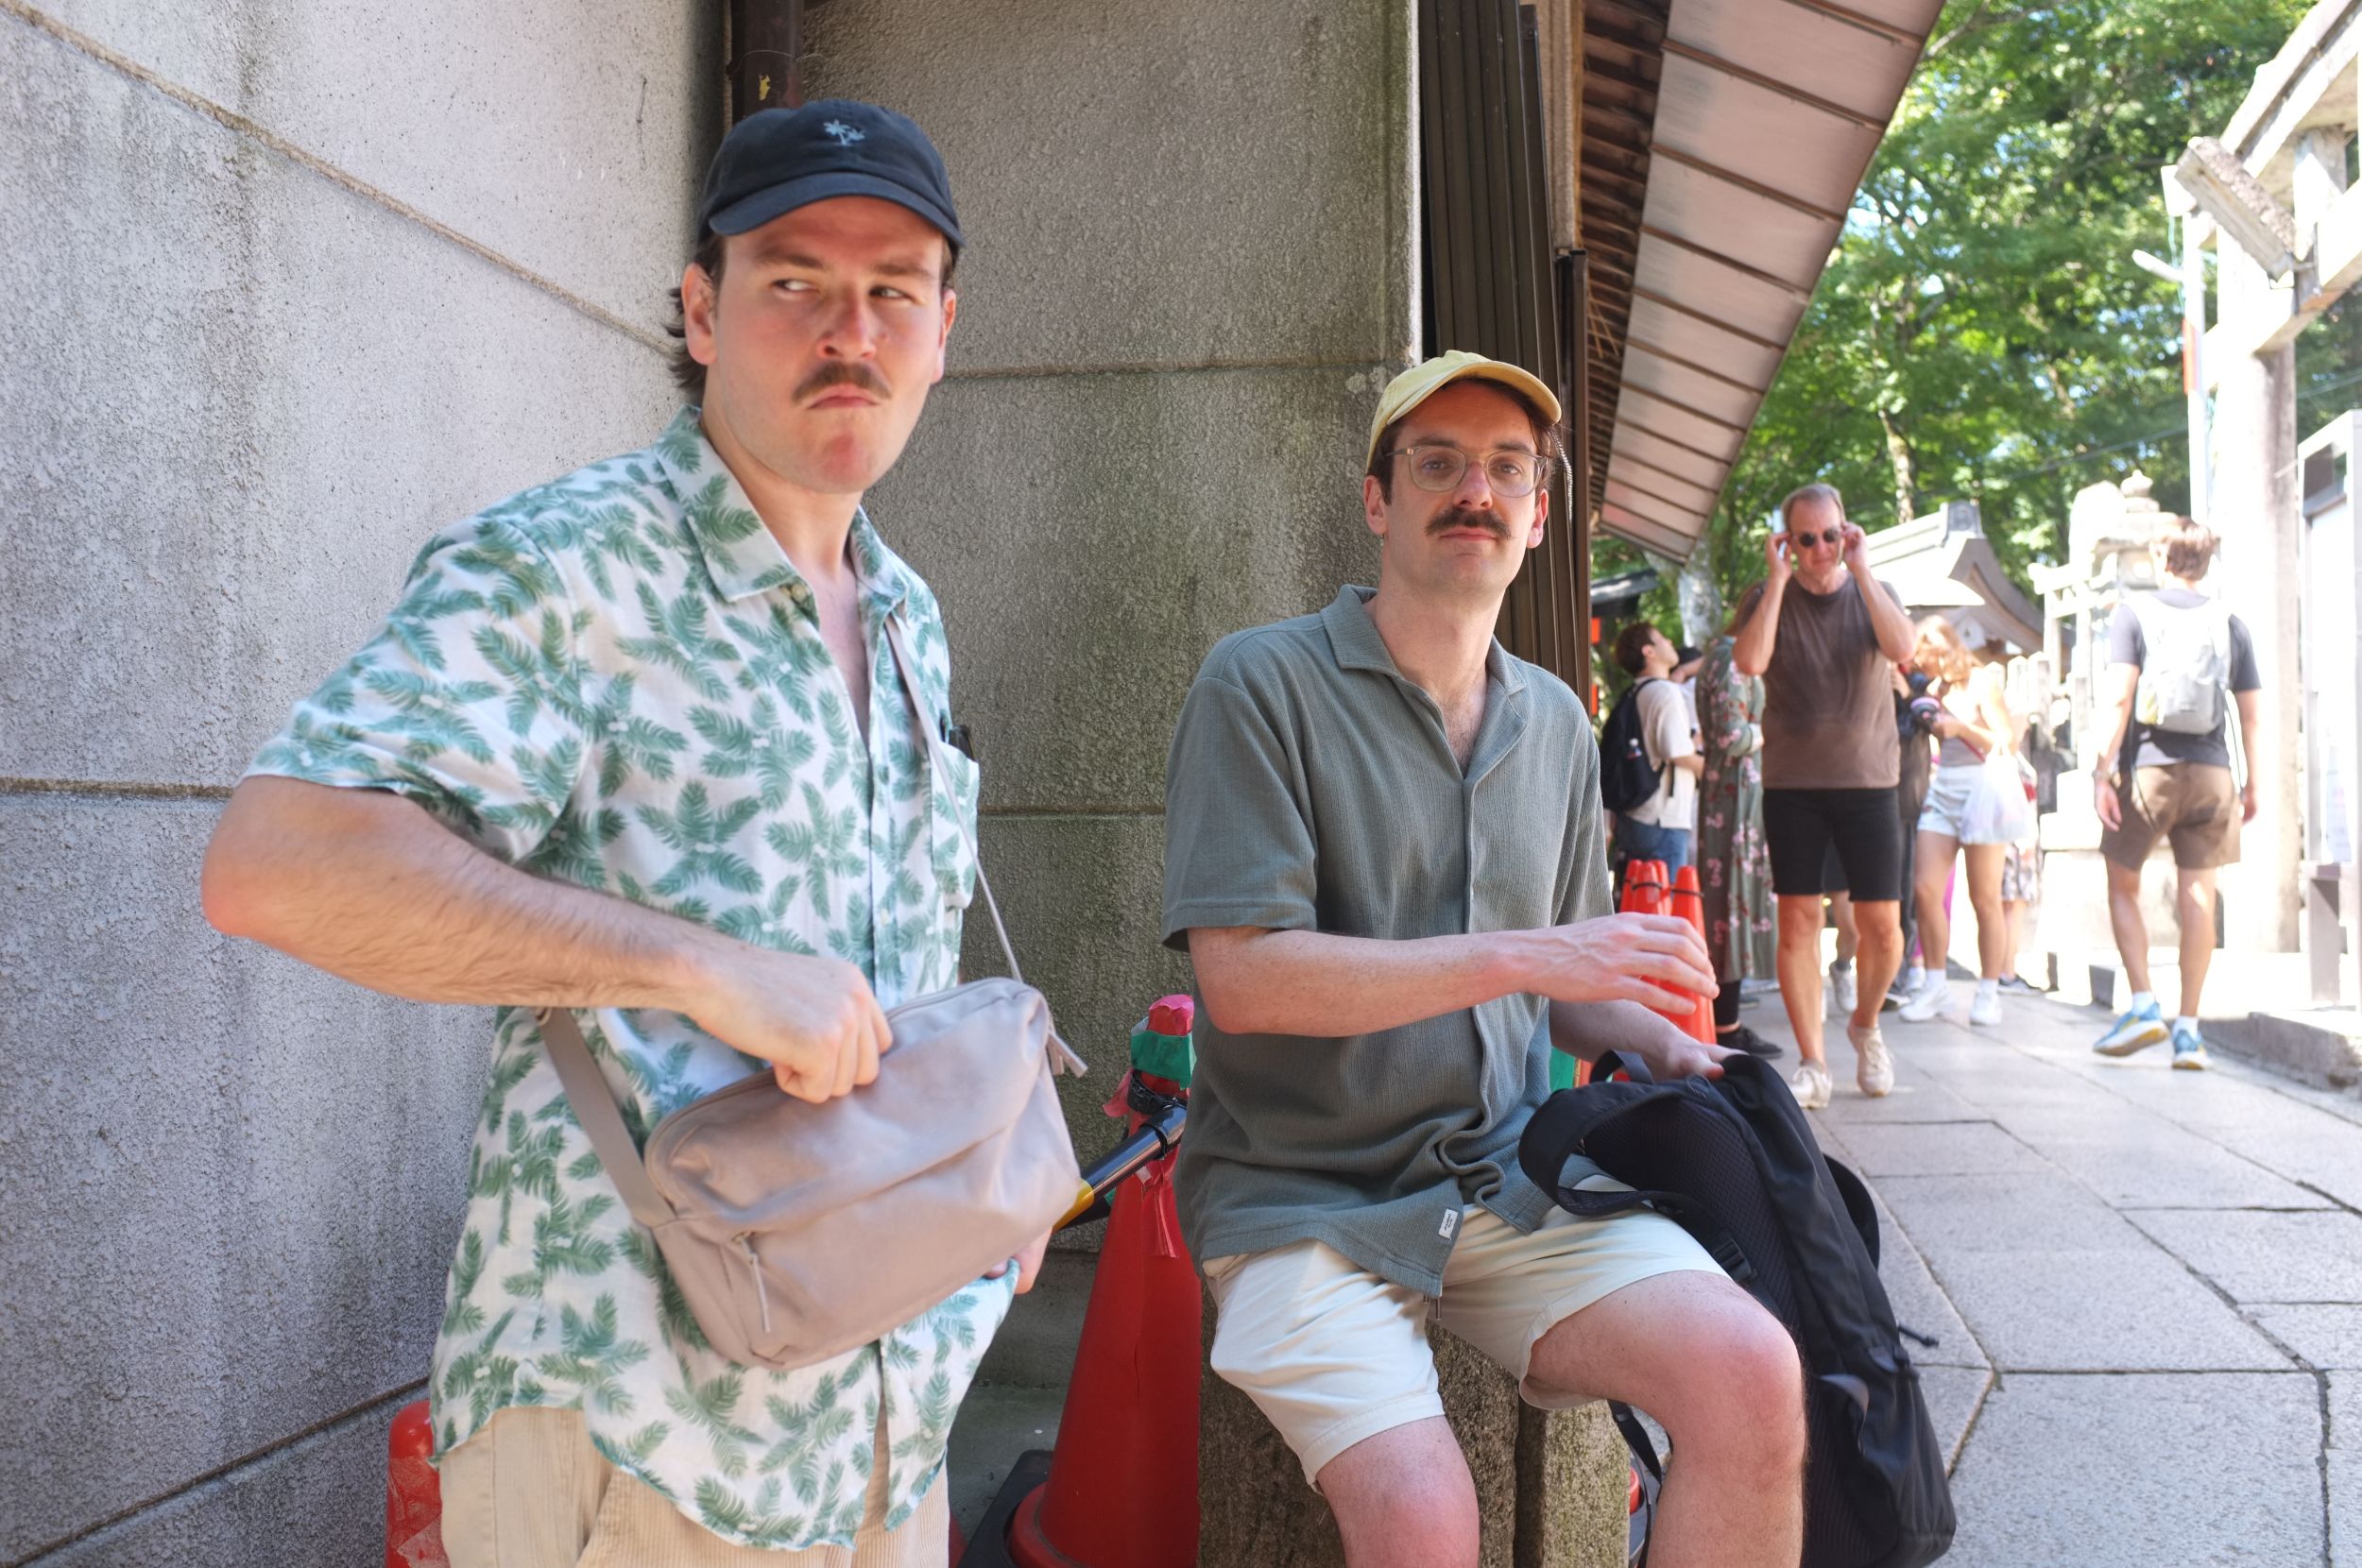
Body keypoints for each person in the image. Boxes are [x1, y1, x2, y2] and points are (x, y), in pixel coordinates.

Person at [200, 101, 1032, 1565]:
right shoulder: (566, 565)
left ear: (944, 331)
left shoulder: (907, 613)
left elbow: (883, 959)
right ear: (702, 311)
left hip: (885, 1414)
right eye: (794, 280)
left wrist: (981, 1171)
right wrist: (698, 967)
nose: (850, 330)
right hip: (638, 1426)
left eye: (893, 290)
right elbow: (278, 862)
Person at [1162, 352, 1806, 1568]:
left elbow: (1564, 997)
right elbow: (1242, 982)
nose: (1476, 490)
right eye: (1438, 463)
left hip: (1505, 1175)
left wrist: (1669, 1044)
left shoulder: (1554, 718)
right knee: (1423, 1516)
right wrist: (1527, 950)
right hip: (1299, 1194)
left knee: (1752, 1371)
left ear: (1539, 515)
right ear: (1377, 500)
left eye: (1508, 469)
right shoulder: (1259, 681)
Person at [1732, 483, 1918, 1109]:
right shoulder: (1769, 595)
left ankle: (1864, 1025)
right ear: (1787, 540)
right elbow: (1750, 662)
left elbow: (1904, 649)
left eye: (1830, 536)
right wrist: (1776, 580)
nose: (1820, 549)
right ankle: (1813, 1062)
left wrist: (1861, 571)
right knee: (1799, 921)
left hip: (1870, 781)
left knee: (1882, 928)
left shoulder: (1873, 590)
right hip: (1794, 785)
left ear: (1847, 533)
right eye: (1806, 538)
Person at [2090, 517, 2262, 1068]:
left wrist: (2101, 772)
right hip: (2213, 774)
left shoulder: (2133, 614)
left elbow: (2120, 698)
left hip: (2150, 770)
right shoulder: (2230, 622)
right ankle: (2189, 1031)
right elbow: (2251, 715)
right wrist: (2251, 781)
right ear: (2206, 563)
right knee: (2199, 897)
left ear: (2160, 558)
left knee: (2123, 885)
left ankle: (2144, 1004)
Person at [1895, 618, 2023, 1026]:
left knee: (1984, 897)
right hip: (1944, 787)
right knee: (1924, 888)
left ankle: (1988, 991)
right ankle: (1935, 984)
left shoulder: (1983, 682)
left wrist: (1962, 728)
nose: (1919, 664)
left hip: (1981, 787)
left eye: (1922, 656)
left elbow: (2007, 741)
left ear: (1939, 648)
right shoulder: (1935, 689)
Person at [1695, 593, 1781, 1058]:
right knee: (1729, 905)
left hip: (1734, 797)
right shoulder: (1731, 659)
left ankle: (1729, 1022)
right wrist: (1774, 730)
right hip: (1733, 800)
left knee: (1732, 905)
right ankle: (1725, 1026)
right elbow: (1732, 736)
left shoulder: (1725, 656)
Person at [1609, 621, 1703, 875]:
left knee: (1640, 895)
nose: (1670, 643)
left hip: (1636, 813)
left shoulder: (1637, 692)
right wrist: (1716, 771)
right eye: (1662, 638)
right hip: (1663, 817)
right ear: (1648, 651)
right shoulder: (1666, 692)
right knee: (1665, 897)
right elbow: (1678, 754)